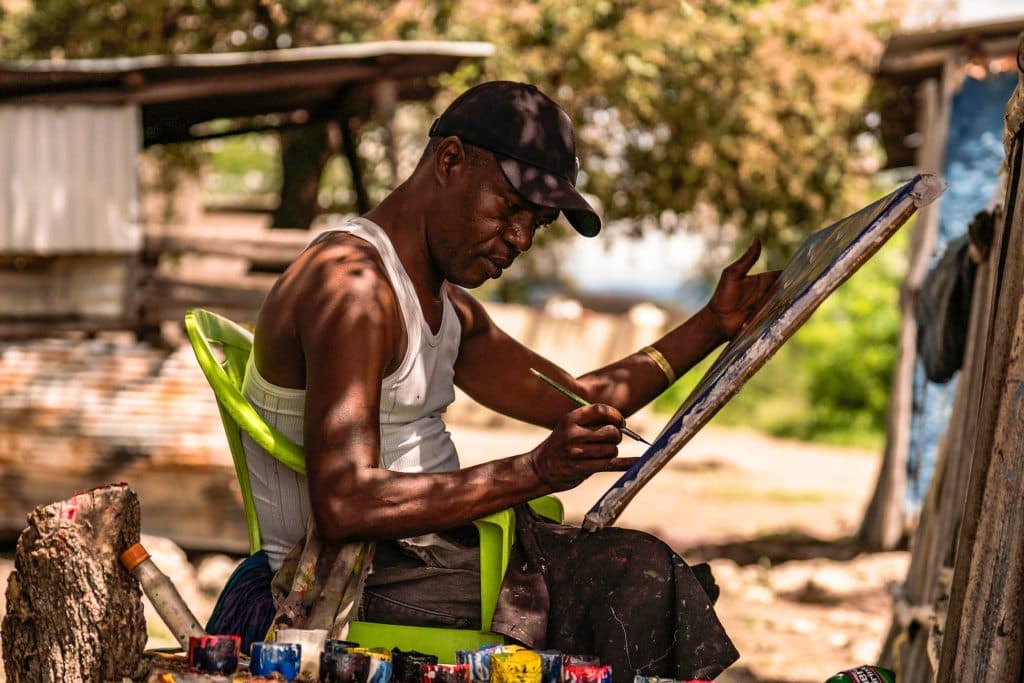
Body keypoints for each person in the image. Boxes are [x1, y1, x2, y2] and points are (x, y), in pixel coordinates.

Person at [207, 81, 779, 681]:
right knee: (636, 578)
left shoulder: (447, 307)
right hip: (345, 574)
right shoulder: (353, 287)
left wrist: (714, 324)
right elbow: (345, 504)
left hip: (426, 557)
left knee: (649, 578)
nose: (521, 239)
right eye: (510, 209)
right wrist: (534, 472)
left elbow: (577, 398)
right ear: (450, 160)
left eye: (539, 223)